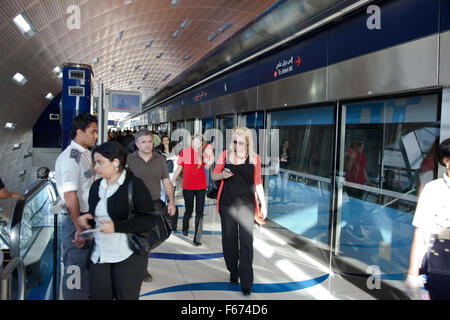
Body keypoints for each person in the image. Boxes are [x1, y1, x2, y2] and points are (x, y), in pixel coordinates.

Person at [78, 141, 154, 300]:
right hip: (100, 254)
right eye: (95, 162)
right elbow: (96, 217)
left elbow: (148, 220)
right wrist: (87, 223)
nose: (96, 167)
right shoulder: (96, 186)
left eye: (100, 162)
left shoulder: (134, 185)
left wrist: (116, 227)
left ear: (116, 163)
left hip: (127, 255)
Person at [212, 126, 267, 296]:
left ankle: (247, 281)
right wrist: (222, 175)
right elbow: (214, 175)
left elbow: (258, 182)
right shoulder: (224, 155)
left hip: (247, 205)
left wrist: (263, 204)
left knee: (246, 241)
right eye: (234, 140)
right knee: (229, 240)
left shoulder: (254, 159)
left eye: (240, 140)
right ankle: (233, 270)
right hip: (227, 204)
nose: (237, 144)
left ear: (248, 141)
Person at [54, 113, 98, 300]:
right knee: (75, 268)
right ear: (79, 132)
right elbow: (70, 196)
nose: (96, 136)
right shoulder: (70, 159)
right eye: (93, 131)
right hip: (76, 220)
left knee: (85, 266)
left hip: (86, 218)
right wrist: (79, 228)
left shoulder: (84, 154)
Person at [127, 129, 176, 282]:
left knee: (147, 240)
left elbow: (166, 182)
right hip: (132, 206)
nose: (147, 145)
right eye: (143, 142)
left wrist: (171, 202)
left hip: (152, 205)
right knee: (131, 239)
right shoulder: (129, 159)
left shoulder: (160, 159)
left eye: (149, 141)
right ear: (137, 144)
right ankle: (131, 268)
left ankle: (142, 270)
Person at [406, 138, 450, 300]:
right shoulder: (433, 190)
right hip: (438, 267)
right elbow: (420, 230)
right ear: (446, 160)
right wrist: (412, 273)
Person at [171, 133, 214, 246]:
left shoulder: (204, 153)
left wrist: (212, 158)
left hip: (201, 187)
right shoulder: (184, 152)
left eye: (198, 142)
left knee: (199, 212)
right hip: (188, 186)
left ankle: (197, 238)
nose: (195, 144)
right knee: (188, 210)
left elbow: (207, 166)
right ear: (191, 142)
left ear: (201, 144)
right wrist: (172, 181)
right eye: (194, 142)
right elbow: (178, 168)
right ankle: (185, 227)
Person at [343, 138, 373, 237]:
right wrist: (351, 159)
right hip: (351, 185)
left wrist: (368, 182)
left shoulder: (363, 156)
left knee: (357, 206)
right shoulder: (349, 155)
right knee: (356, 206)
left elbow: (362, 170)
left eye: (360, 146)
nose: (358, 148)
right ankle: (356, 228)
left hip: (360, 185)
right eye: (356, 145)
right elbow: (347, 168)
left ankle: (354, 225)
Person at [275, 139, 291, 204]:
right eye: (285, 143)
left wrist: (285, 161)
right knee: (279, 185)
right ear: (282, 144)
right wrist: (279, 159)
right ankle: (276, 195)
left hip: (285, 170)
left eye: (287, 144)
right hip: (278, 169)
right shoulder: (278, 150)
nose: (286, 145)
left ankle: (283, 200)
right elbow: (273, 158)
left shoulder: (289, 152)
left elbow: (290, 161)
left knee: (284, 186)